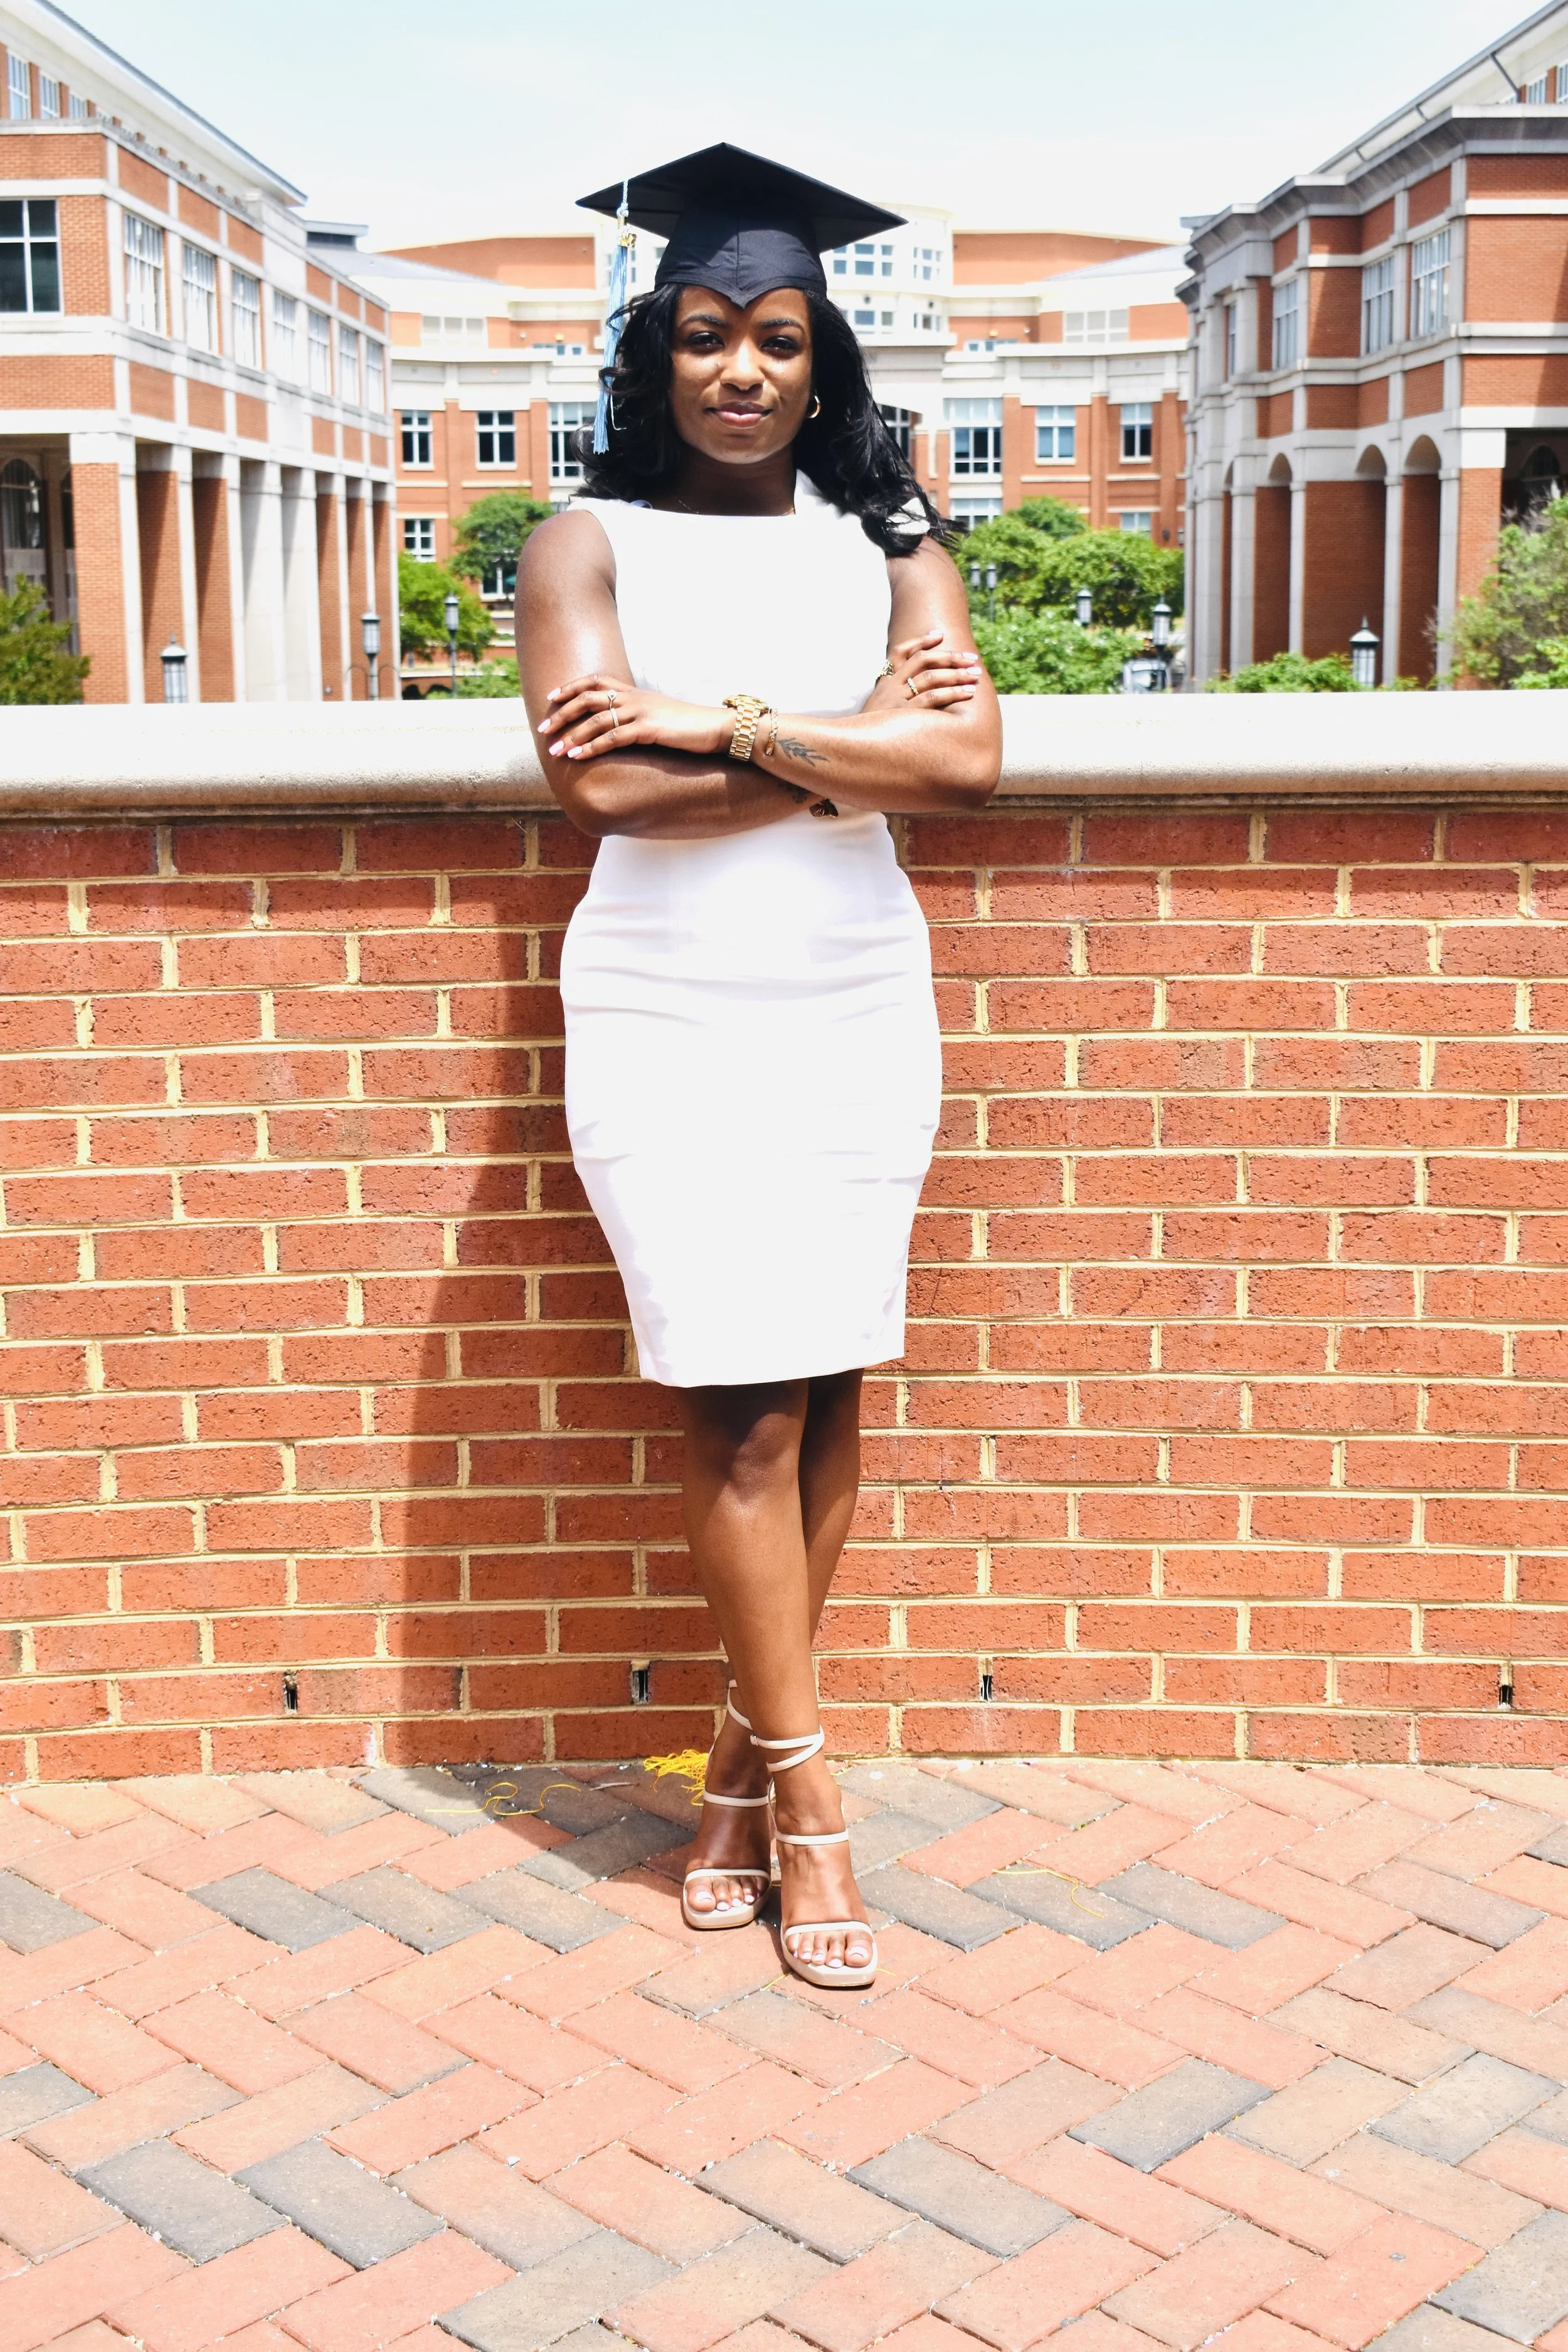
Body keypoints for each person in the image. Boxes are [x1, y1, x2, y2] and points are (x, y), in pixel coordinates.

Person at [516, 144, 1002, 1988]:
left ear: (821, 361)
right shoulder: (584, 544)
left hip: (855, 990)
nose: (742, 368)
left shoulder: (889, 541)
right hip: (665, 1004)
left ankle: (731, 1777)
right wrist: (844, 742)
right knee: (738, 1406)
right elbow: (605, 793)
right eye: (708, 334)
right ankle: (812, 1801)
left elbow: (965, 770)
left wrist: (715, 717)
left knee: (832, 1381)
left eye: (779, 338)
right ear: (656, 353)